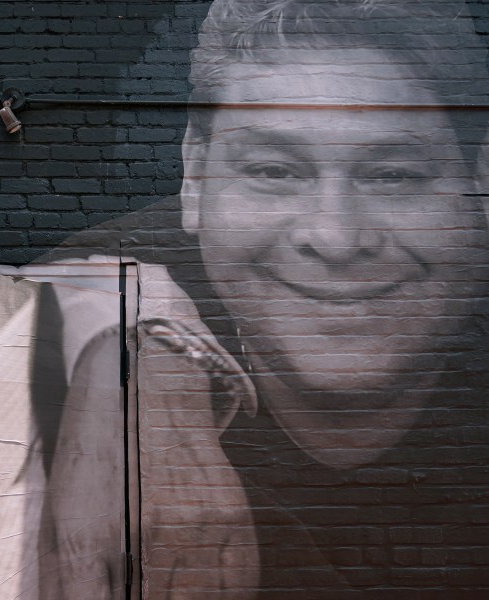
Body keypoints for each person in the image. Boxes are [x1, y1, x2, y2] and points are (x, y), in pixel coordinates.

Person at [42, 0, 489, 596]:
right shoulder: (135, 267)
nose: (334, 237)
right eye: (275, 171)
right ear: (194, 178)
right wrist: (138, 365)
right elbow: (39, 283)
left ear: (480, 184)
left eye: (394, 176)